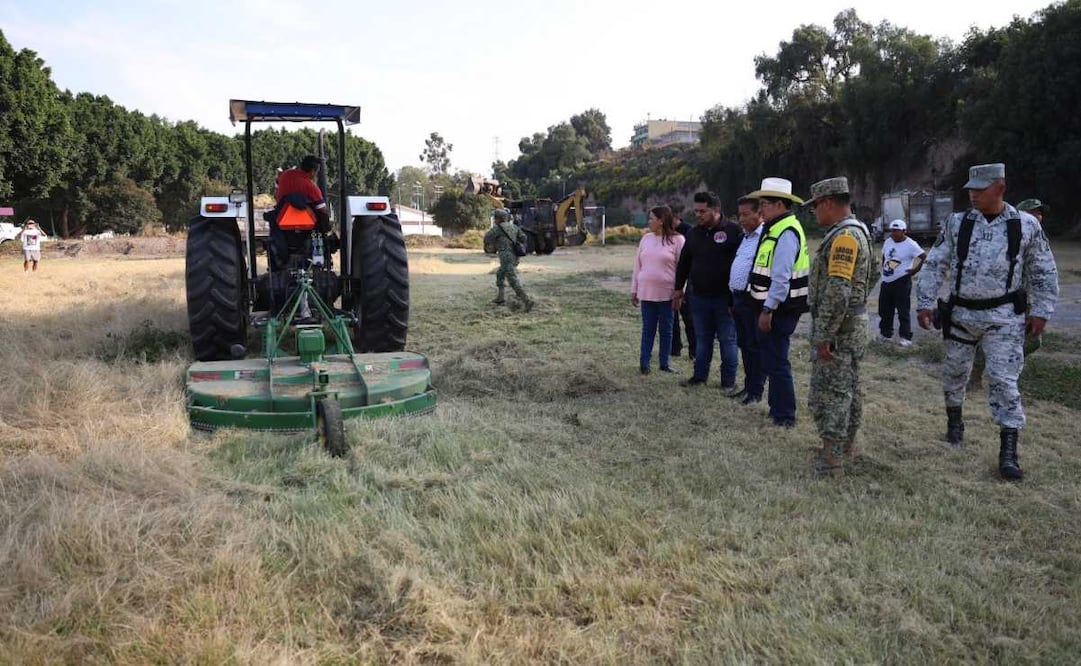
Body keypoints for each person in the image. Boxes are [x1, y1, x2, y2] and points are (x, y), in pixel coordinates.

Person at [916, 163, 1058, 481]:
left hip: (1004, 319)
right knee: (954, 375)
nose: (973, 194)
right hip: (961, 317)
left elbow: (1043, 269)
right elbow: (935, 263)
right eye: (971, 188)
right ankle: (955, 421)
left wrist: (1042, 311)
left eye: (980, 188)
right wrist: (924, 302)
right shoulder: (956, 223)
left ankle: (1008, 452)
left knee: (1003, 381)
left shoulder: (1025, 226)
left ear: (1001, 188)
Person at [805, 178, 877, 477]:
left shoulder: (844, 237)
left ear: (828, 203)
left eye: (815, 207)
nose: (813, 213)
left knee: (830, 393)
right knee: (849, 388)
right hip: (853, 325)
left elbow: (838, 291)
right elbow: (871, 277)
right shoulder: (859, 231)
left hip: (840, 330)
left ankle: (832, 460)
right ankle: (846, 446)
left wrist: (824, 335)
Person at [744, 177, 811, 428]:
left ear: (780, 204)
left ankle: (784, 415)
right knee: (772, 361)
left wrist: (768, 310)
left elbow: (781, 278)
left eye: (765, 204)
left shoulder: (786, 232)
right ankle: (776, 410)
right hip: (771, 308)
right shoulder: (776, 228)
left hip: (778, 311)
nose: (761, 209)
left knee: (777, 362)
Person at [969, 198, 1048, 387]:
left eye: (1039, 212)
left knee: (1033, 342)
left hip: (1026, 301)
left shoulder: (1038, 239)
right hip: (1004, 301)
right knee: (991, 337)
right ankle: (975, 375)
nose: (1038, 216)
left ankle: (1003, 368)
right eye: (1033, 212)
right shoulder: (1005, 238)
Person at [673, 192, 742, 391]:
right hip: (699, 297)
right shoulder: (694, 233)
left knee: (728, 341)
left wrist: (733, 299)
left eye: (703, 211)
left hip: (724, 299)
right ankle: (699, 376)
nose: (698, 215)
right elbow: (684, 263)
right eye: (696, 211)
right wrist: (678, 289)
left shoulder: (733, 231)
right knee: (702, 339)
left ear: (716, 210)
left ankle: (728, 382)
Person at [632, 206, 685, 374]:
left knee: (666, 329)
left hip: (667, 293)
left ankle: (665, 363)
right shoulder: (646, 239)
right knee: (648, 328)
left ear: (661, 221)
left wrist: (680, 291)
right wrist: (634, 289)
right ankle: (644, 363)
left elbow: (682, 268)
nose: (648, 222)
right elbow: (637, 265)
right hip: (646, 291)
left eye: (651, 218)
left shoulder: (678, 240)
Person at [727, 196, 766, 404]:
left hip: (753, 299)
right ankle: (748, 386)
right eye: (739, 215)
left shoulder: (764, 237)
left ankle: (756, 391)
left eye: (745, 214)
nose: (741, 219)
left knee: (754, 345)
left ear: (760, 214)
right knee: (745, 344)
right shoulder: (745, 237)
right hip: (738, 298)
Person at [877, 219, 926, 347]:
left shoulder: (911, 244)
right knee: (885, 310)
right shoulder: (888, 241)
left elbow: (925, 257)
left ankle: (905, 337)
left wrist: (915, 270)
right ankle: (885, 334)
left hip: (902, 280)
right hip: (887, 280)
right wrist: (884, 266)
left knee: (903, 310)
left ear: (904, 231)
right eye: (892, 230)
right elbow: (884, 256)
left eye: (897, 230)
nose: (894, 233)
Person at [483, 208, 534, 311]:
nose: (495, 220)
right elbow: (524, 238)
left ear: (498, 219)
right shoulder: (514, 227)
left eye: (495, 218)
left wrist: (495, 244)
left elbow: (487, 238)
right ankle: (501, 297)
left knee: (512, 279)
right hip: (515, 257)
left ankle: (526, 300)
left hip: (506, 257)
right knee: (500, 274)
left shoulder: (497, 229)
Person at [670, 212, 696, 361]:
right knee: (672, 318)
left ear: (676, 217)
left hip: (687, 281)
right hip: (673, 281)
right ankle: (675, 348)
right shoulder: (667, 234)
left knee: (689, 318)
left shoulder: (688, 232)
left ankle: (694, 350)